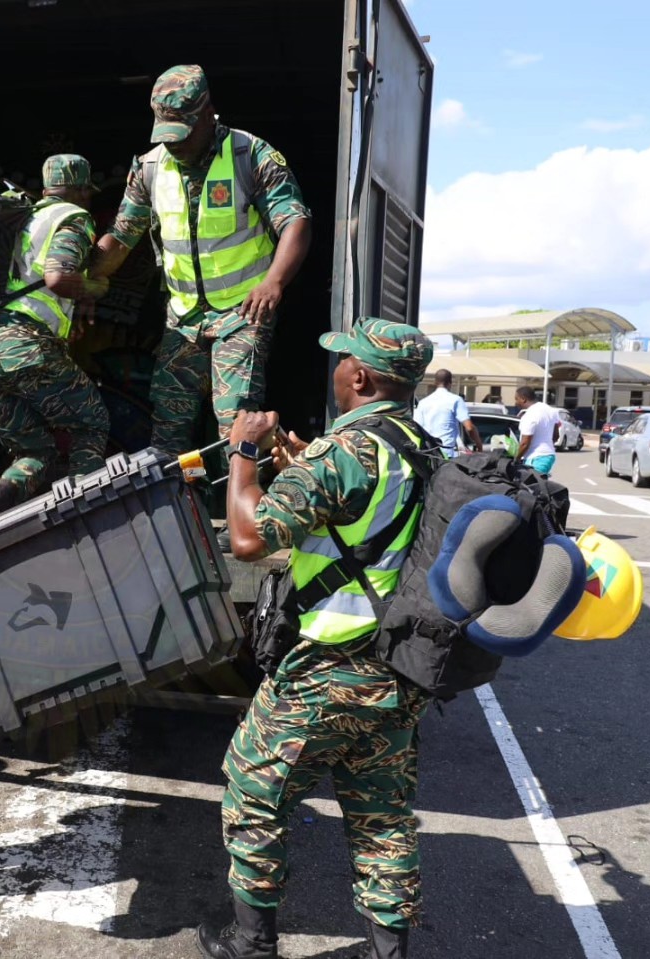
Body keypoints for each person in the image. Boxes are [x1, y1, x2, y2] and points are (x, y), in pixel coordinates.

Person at [200, 317, 435, 959]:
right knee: (383, 818)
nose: (334, 370)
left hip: (327, 672)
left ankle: (250, 944)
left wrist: (245, 455)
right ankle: (389, 952)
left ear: (357, 377)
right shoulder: (420, 446)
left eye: (342, 362)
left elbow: (249, 540)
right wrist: (303, 464)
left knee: (254, 793)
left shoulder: (347, 451)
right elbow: (372, 516)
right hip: (397, 672)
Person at [88, 64, 312, 456]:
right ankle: (184, 507)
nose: (175, 144)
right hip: (183, 316)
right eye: (167, 135)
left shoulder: (250, 155)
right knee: (169, 427)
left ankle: (245, 509)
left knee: (236, 422)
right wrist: (82, 277)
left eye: (184, 134)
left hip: (243, 311)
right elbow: (121, 239)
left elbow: (295, 222)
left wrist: (273, 281)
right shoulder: (149, 168)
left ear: (209, 114)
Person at [0, 154, 112, 512]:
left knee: (34, 452)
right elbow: (57, 276)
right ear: (79, 191)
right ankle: (86, 512)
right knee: (90, 424)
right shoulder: (72, 218)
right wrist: (96, 287)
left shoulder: (22, 217)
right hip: (23, 346)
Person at [413, 369, 481, 456]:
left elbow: (417, 427)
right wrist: (479, 446)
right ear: (450, 383)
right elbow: (469, 427)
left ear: (435, 382)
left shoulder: (423, 403)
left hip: (428, 453)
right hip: (447, 454)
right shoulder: (455, 400)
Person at [514, 385, 560, 476]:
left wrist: (516, 459)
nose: (516, 402)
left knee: (531, 486)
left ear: (523, 399)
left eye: (516, 399)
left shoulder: (529, 415)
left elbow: (525, 443)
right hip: (548, 456)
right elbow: (556, 436)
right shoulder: (551, 410)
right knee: (538, 485)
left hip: (535, 458)